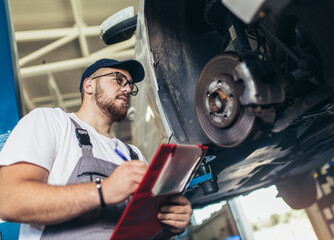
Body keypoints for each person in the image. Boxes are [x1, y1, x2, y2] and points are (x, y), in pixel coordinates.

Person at [0, 58, 193, 239]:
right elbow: (8, 199)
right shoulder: (52, 122)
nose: (127, 88)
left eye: (130, 85)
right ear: (89, 85)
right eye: (119, 79)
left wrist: (169, 224)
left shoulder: (134, 156)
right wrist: (103, 191)